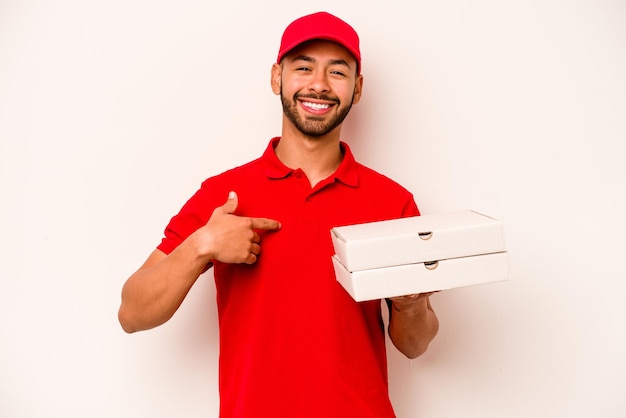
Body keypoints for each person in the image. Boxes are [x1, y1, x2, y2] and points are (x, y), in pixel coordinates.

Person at [118, 11, 439, 418]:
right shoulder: (224, 194)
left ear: (357, 89)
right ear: (276, 78)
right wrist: (201, 245)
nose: (319, 84)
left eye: (337, 72)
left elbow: (415, 345)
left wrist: (411, 306)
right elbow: (132, 313)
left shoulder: (392, 203)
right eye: (303, 67)